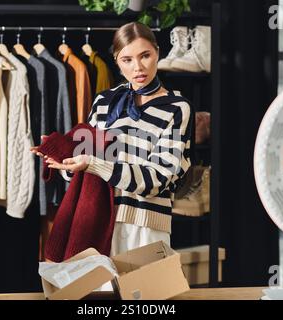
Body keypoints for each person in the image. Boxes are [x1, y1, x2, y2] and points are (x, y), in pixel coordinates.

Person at [31, 22, 193, 256]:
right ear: (116, 61)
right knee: (95, 293)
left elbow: (159, 178)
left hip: (145, 226)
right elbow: (85, 171)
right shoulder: (103, 102)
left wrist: (92, 164)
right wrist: (63, 157)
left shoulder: (177, 108)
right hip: (96, 222)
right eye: (127, 59)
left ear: (157, 52)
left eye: (145, 55)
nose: (138, 67)